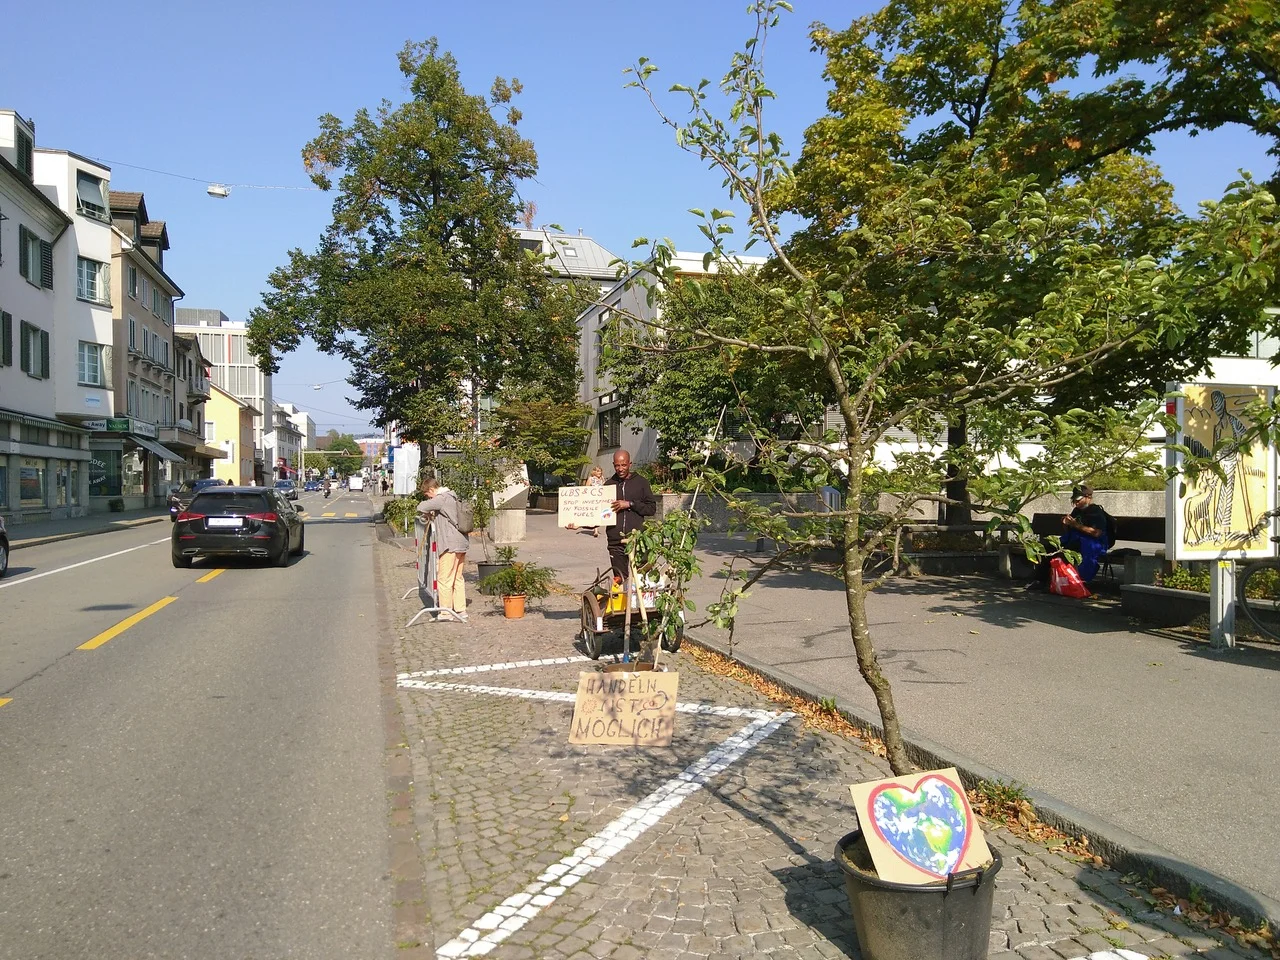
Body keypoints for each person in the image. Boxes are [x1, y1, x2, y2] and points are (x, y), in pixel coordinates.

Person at [1027, 484, 1112, 590]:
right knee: (1048, 548)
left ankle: (1073, 582)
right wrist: (1066, 524)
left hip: (1092, 543)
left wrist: (1076, 525)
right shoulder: (1077, 510)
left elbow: (1096, 533)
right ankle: (1040, 580)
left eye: (1078, 500)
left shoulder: (1096, 512)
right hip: (1075, 539)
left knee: (1066, 551)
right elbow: (1070, 530)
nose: (1076, 503)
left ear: (1088, 497)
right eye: (1074, 501)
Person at [418, 476, 470, 622]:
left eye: (427, 494)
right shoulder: (453, 496)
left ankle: (446, 612)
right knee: (457, 578)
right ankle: (461, 610)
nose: (428, 497)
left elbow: (421, 506)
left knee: (444, 578)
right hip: (461, 541)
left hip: (449, 543)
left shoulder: (441, 498)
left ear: (432, 489)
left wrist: (428, 509)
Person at [605, 451, 656, 581]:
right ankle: (622, 601)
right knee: (620, 580)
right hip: (615, 542)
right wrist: (578, 523)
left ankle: (639, 602)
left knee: (642, 580)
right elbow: (599, 513)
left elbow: (651, 509)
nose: (620, 469)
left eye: (623, 465)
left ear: (630, 464)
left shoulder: (641, 482)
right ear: (613, 465)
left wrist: (630, 504)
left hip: (637, 541)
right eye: (617, 465)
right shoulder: (608, 485)